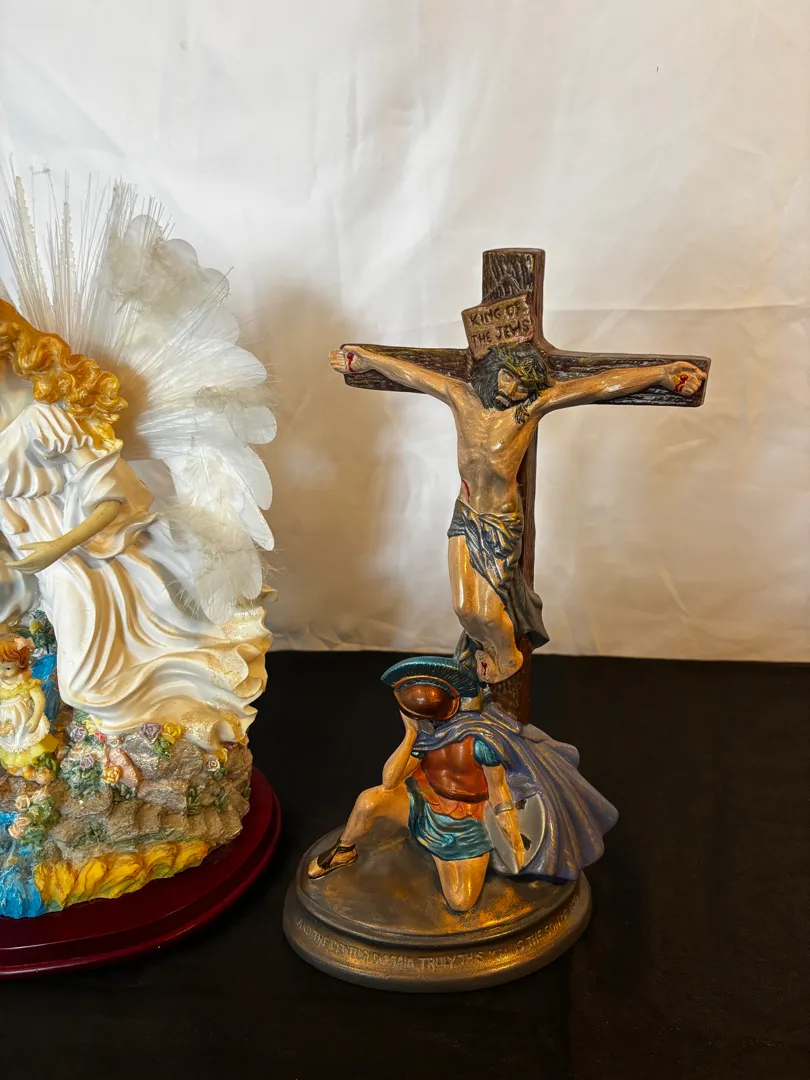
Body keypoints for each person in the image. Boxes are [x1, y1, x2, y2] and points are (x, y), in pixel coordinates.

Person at [330, 342, 706, 683]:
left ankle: (508, 658)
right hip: (465, 513)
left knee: (487, 614)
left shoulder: (528, 411)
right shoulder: (462, 397)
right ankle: (484, 650)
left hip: (500, 522)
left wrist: (661, 374)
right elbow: (413, 374)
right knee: (464, 608)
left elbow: (599, 384)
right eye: (508, 377)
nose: (510, 390)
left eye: (522, 386)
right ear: (494, 371)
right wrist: (367, 360)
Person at [308, 656, 618, 913]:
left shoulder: (480, 741)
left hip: (467, 823)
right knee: (369, 801)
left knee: (460, 902)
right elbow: (389, 781)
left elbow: (498, 790)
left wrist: (511, 832)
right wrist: (411, 734)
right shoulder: (424, 737)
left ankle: (443, 854)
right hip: (425, 806)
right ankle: (343, 851)